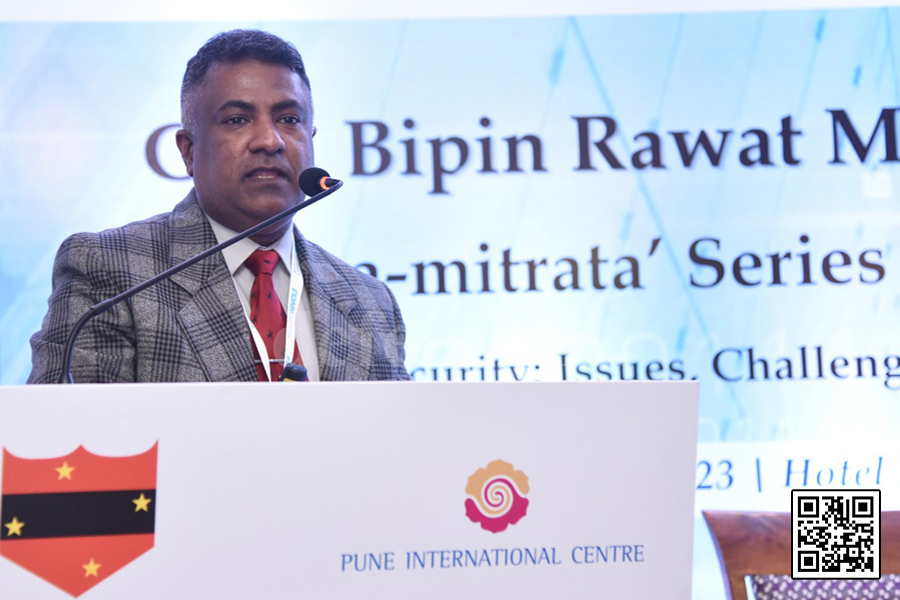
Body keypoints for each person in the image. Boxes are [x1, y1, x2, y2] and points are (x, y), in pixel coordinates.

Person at [28, 30, 409, 383]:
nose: (269, 141)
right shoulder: (110, 271)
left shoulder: (370, 303)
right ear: (188, 151)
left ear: (310, 139)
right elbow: (70, 436)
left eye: (288, 119)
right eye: (238, 119)